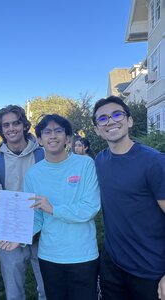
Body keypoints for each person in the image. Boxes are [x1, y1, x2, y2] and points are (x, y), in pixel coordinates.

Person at [92, 95, 165, 300]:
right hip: (113, 264)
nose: (111, 121)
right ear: (97, 129)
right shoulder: (100, 160)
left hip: (150, 269)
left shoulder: (154, 162)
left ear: (129, 121)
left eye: (117, 114)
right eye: (103, 118)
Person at [22, 114, 100, 300]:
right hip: (49, 256)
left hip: (83, 254)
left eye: (58, 131)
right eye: (46, 132)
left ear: (68, 138)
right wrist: (17, 237)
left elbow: (90, 207)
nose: (53, 136)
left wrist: (54, 209)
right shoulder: (33, 174)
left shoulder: (85, 164)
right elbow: (36, 218)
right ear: (39, 140)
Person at [0, 104, 46, 300]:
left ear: (24, 125)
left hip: (43, 232)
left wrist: (33, 227)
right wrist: (16, 228)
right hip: (9, 233)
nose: (11, 128)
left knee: (48, 287)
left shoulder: (43, 155)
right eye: (6, 125)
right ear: (1, 130)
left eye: (16, 123)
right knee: (14, 291)